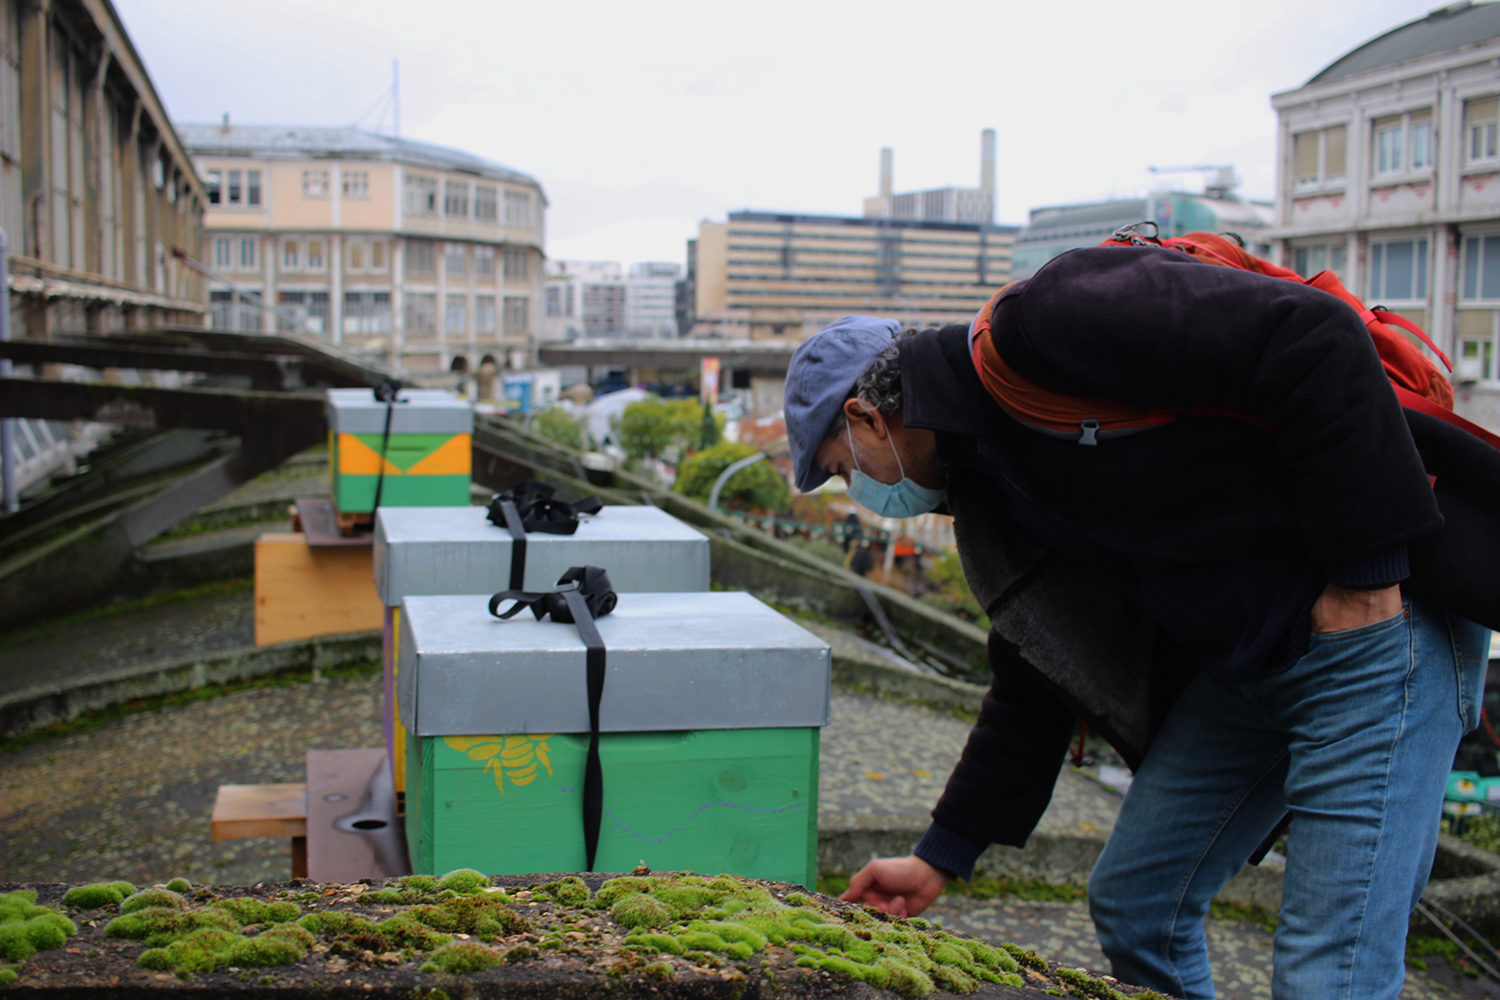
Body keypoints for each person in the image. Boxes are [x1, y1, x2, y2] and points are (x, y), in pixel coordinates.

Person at [782, 246, 1500, 1000]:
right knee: (1138, 907)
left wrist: (1365, 575)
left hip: (1376, 635)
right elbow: (1037, 667)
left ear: (867, 416)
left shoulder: (1045, 323)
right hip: (1249, 668)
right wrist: (942, 852)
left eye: (839, 468)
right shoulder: (986, 487)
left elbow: (1311, 336)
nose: (855, 488)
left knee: (1331, 971)